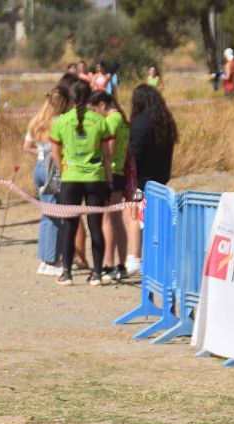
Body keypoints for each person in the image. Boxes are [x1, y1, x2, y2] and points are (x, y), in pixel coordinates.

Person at [49, 79, 112, 286]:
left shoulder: (61, 121)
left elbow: (55, 153)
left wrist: (63, 170)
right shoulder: (100, 120)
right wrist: (108, 178)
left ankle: (66, 273)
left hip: (71, 178)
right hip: (95, 178)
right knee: (95, 226)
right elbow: (106, 154)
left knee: (70, 226)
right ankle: (97, 273)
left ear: (72, 97)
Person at [127, 84, 178, 275]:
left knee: (133, 217)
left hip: (141, 181)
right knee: (154, 222)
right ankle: (156, 259)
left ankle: (135, 258)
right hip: (161, 180)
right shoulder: (164, 122)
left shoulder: (140, 123)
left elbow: (135, 154)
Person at [24, 87, 70, 276]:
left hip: (39, 167)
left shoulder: (36, 121)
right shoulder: (59, 121)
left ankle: (45, 258)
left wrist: (42, 152)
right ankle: (50, 260)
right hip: (52, 169)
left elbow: (26, 146)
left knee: (46, 214)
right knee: (53, 215)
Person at [89, 90, 130, 282]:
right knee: (117, 220)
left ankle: (109, 264)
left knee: (108, 221)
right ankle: (121, 265)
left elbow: (110, 150)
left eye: (95, 109)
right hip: (120, 172)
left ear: (102, 105)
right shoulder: (121, 119)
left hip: (111, 173)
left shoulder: (111, 121)